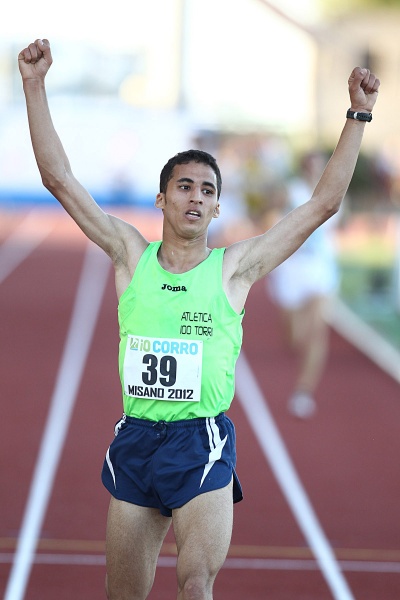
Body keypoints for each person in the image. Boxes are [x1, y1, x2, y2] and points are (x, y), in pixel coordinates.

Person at [18, 38, 380, 600]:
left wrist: (357, 115)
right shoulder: (129, 255)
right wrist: (34, 85)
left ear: (216, 207)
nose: (195, 197)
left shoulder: (234, 269)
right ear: (161, 199)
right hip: (137, 438)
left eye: (207, 190)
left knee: (194, 585)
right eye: (184, 186)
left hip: (200, 443)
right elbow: (59, 179)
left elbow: (321, 206)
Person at [266, 150, 341, 418]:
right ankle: (297, 348)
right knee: (295, 337)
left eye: (320, 166)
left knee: (317, 331)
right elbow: (270, 217)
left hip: (320, 269)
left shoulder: (338, 191)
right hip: (291, 270)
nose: (316, 171)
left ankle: (303, 391)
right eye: (311, 166)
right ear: (303, 168)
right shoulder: (291, 191)